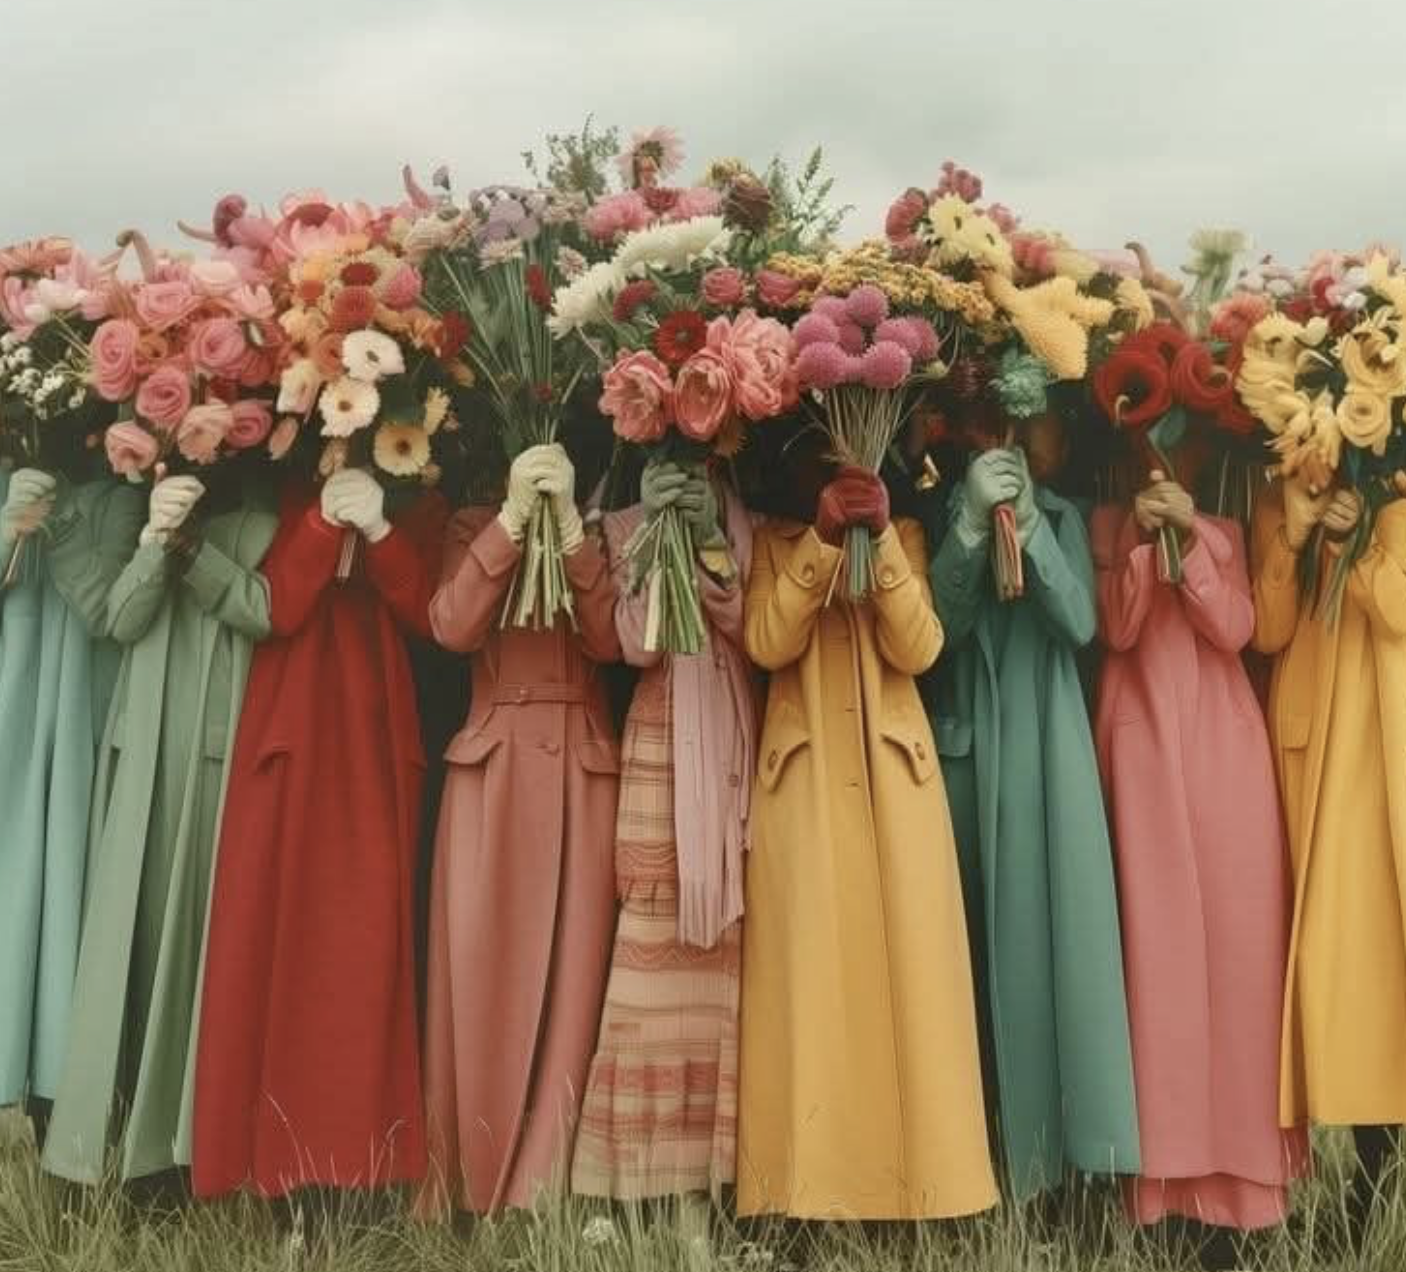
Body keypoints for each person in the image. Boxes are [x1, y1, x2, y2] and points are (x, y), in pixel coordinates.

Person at [737, 433, 997, 1220]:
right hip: (804, 781)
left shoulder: (906, 536)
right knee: (812, 987)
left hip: (897, 782)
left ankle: (925, 1190)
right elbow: (768, 641)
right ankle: (810, 1193)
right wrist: (819, 540)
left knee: (914, 986)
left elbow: (919, 646)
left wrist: (880, 537)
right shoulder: (770, 542)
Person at [192, 468, 443, 1198]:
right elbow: (276, 608)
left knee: (364, 946)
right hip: (288, 727)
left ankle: (358, 1163)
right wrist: (319, 524)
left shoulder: (416, 494)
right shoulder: (275, 492)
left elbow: (429, 611)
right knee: (272, 936)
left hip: (371, 729)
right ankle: (273, 1165)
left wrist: (381, 529)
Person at [1091, 444, 1307, 1257]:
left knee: (1241, 966)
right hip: (1141, 754)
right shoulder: (1107, 523)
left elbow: (1239, 627)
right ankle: (1161, 1185)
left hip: (1226, 754)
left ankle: (1248, 1190)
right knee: (1158, 967)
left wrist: (1194, 544)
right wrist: (1148, 548)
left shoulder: (1224, 525)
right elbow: (1115, 626)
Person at [42, 466, 277, 1184]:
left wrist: (195, 552)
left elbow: (265, 611)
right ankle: (106, 1135)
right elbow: (116, 618)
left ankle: (181, 1145)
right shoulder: (114, 506)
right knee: (130, 942)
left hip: (213, 754)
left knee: (196, 943)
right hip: (142, 747)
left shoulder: (271, 509)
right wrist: (153, 539)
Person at [924, 417, 1139, 1203]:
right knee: (969, 959)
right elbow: (934, 634)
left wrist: (1034, 526)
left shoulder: (1065, 514)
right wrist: (976, 526)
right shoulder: (936, 512)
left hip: (1051, 753)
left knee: (1061, 953)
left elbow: (1082, 622)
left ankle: (1070, 1167)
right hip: (967, 756)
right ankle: (979, 1166)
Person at [416, 442, 621, 1216]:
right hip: (492, 772)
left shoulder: (596, 533)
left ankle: (548, 1179)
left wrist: (571, 530)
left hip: (580, 774)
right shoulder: (470, 524)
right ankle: (467, 1166)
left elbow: (613, 641)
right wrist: (508, 521)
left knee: (575, 974)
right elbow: (451, 625)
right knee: (478, 969)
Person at [572, 457, 758, 1206]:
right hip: (659, 746)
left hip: (733, 745)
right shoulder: (620, 525)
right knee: (650, 960)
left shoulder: (749, 525)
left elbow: (754, 629)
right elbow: (635, 645)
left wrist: (711, 536)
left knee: (727, 964)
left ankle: (712, 1185)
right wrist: (652, 525)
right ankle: (645, 1180)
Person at [1252, 473, 1406, 1248]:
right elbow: (1269, 628)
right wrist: (1306, 535)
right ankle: (1358, 1180)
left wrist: (1363, 542)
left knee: (1389, 966)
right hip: (1315, 761)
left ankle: (1383, 1185)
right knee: (1337, 971)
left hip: (1391, 758)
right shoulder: (1285, 493)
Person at [0, 461, 142, 1142]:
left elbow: (109, 611)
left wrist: (54, 527)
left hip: (85, 704)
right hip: (16, 707)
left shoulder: (120, 497)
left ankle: (66, 1095)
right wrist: (9, 531)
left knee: (73, 885)